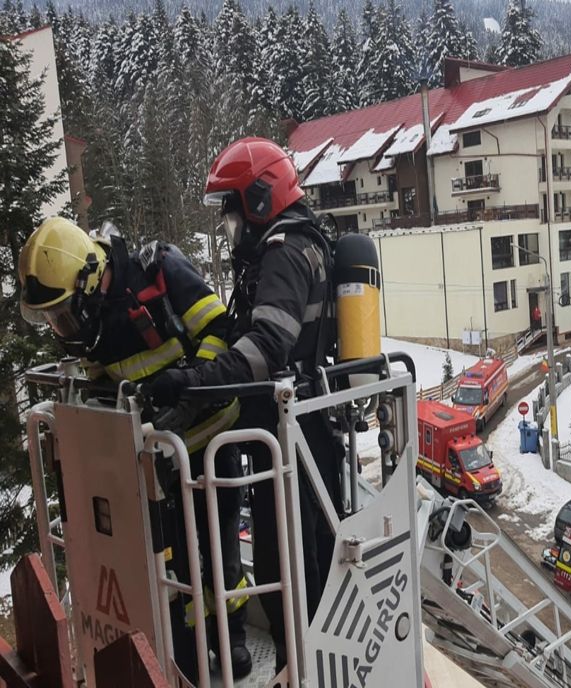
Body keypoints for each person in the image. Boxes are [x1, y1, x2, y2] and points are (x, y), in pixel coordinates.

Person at [17, 217, 251, 680]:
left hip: (211, 438)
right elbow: (104, 385)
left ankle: (233, 638)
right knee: (177, 559)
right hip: (155, 458)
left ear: (86, 283)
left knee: (220, 548)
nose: (62, 326)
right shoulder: (94, 324)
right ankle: (186, 652)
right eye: (53, 318)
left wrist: (188, 392)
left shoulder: (160, 270)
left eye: (64, 313)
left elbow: (222, 331)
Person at [148, 137, 345, 671]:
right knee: (296, 566)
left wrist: (194, 381)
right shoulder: (295, 244)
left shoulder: (282, 252)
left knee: (290, 570)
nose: (231, 228)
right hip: (297, 434)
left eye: (233, 213)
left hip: (291, 439)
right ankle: (300, 664)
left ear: (260, 199)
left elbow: (264, 349)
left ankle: (300, 669)